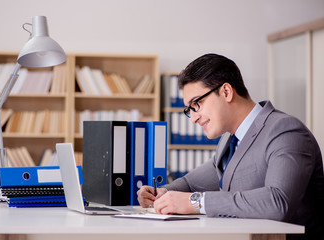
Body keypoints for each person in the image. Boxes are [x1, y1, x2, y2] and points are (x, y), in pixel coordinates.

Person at [137, 53, 324, 240]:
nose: (193, 118)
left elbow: (278, 202)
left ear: (226, 92)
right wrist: (162, 193)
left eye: (197, 104)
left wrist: (194, 202)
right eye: (189, 109)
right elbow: (192, 183)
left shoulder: (285, 131)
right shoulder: (230, 140)